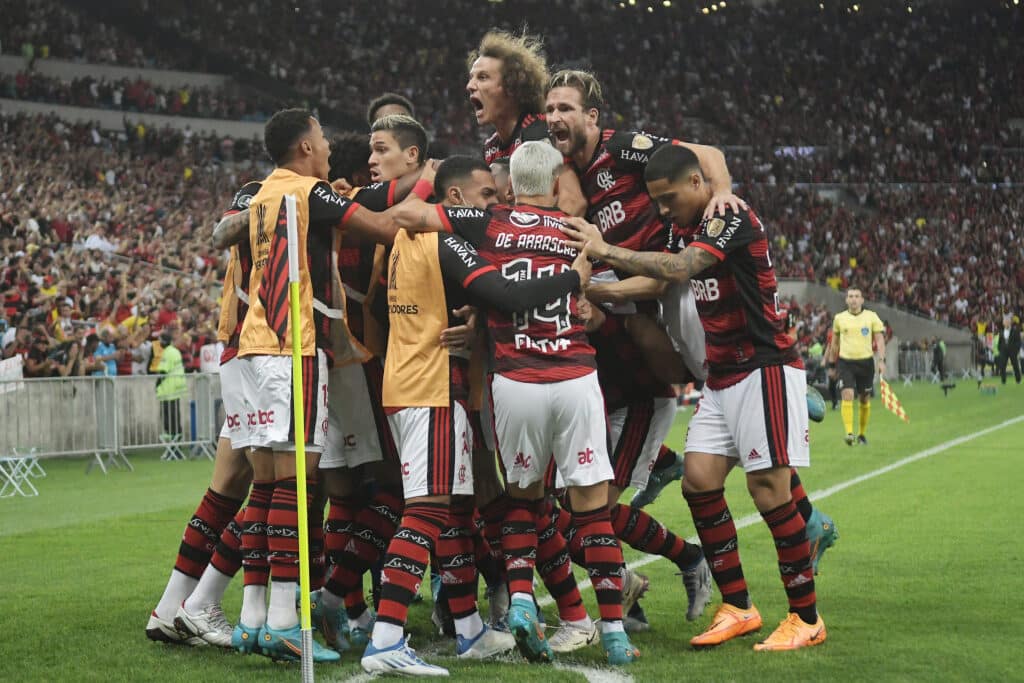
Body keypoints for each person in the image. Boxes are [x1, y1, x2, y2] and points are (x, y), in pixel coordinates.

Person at [560, 144, 825, 652]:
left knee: (769, 490)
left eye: (668, 198)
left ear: (698, 184)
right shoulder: (686, 226)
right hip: (721, 376)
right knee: (700, 484)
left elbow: (681, 269)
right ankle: (739, 606)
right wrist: (599, 291)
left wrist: (605, 250)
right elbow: (662, 275)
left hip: (763, 367)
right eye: (654, 201)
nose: (661, 210)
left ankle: (806, 617)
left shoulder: (728, 216)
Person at [393, 141, 641, 666]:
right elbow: (605, 301)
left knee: (522, 499)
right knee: (592, 507)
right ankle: (614, 631)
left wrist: (426, 180)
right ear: (556, 185)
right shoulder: (578, 231)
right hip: (575, 374)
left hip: (514, 379)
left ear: (511, 186)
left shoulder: (487, 223)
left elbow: (413, 213)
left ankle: (524, 602)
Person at [360, 151, 593, 675]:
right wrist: (570, 280)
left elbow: (380, 307)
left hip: (412, 380)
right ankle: (386, 637)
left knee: (454, 514)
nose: (498, 204)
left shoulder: (404, 241)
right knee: (426, 510)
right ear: (456, 198)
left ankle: (468, 630)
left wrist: (463, 321)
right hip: (433, 385)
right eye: (488, 196)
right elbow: (504, 294)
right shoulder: (444, 239)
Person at [226, 108, 397, 664]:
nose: (326, 148)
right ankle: (282, 622)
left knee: (271, 485)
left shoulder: (261, 193)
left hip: (254, 345)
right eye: (321, 139)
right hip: (292, 346)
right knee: (299, 487)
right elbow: (384, 227)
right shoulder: (309, 192)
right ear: (304, 147)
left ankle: (256, 621)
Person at [466, 29, 586, 216]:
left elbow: (573, 202)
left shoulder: (541, 131)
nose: (470, 85)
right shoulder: (490, 148)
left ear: (512, 87)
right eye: (471, 77)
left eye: (482, 77)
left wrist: (532, 241)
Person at [825, 287, 886, 446]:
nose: (853, 299)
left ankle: (862, 434)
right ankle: (849, 433)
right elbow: (835, 344)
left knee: (864, 399)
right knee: (847, 395)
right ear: (846, 300)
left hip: (866, 363)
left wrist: (881, 360)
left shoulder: (871, 317)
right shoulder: (839, 318)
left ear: (862, 300)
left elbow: (879, 340)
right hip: (846, 363)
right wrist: (831, 365)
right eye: (850, 296)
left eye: (857, 296)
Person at [155, 329, 186, 439]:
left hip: (167, 390)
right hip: (176, 389)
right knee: (175, 418)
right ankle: (176, 445)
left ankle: (173, 446)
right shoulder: (175, 351)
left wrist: (157, 385)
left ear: (164, 342)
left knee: (168, 419)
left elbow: (163, 371)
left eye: (160, 341)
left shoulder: (166, 353)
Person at [993, 315, 1022, 384]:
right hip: (1003, 351)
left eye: (1007, 322)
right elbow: (1000, 342)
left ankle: (1018, 380)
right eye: (1005, 322)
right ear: (1003, 323)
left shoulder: (1015, 330)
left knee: (1015, 365)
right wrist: (1000, 350)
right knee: (1002, 366)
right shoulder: (1001, 331)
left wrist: (1016, 350)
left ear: (1010, 323)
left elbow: (1018, 342)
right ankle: (1003, 381)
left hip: (1013, 351)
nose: (1006, 323)